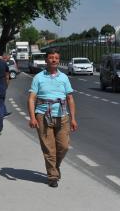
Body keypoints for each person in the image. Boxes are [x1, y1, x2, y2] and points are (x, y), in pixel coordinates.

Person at [27, 48, 78, 188]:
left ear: (59, 60)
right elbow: (31, 99)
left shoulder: (64, 77)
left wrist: (73, 118)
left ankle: (55, 166)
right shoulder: (38, 77)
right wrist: (32, 117)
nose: (54, 60)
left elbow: (70, 98)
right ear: (46, 60)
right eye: (51, 57)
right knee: (49, 148)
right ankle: (52, 176)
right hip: (43, 115)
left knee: (64, 146)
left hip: (62, 116)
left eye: (56, 57)